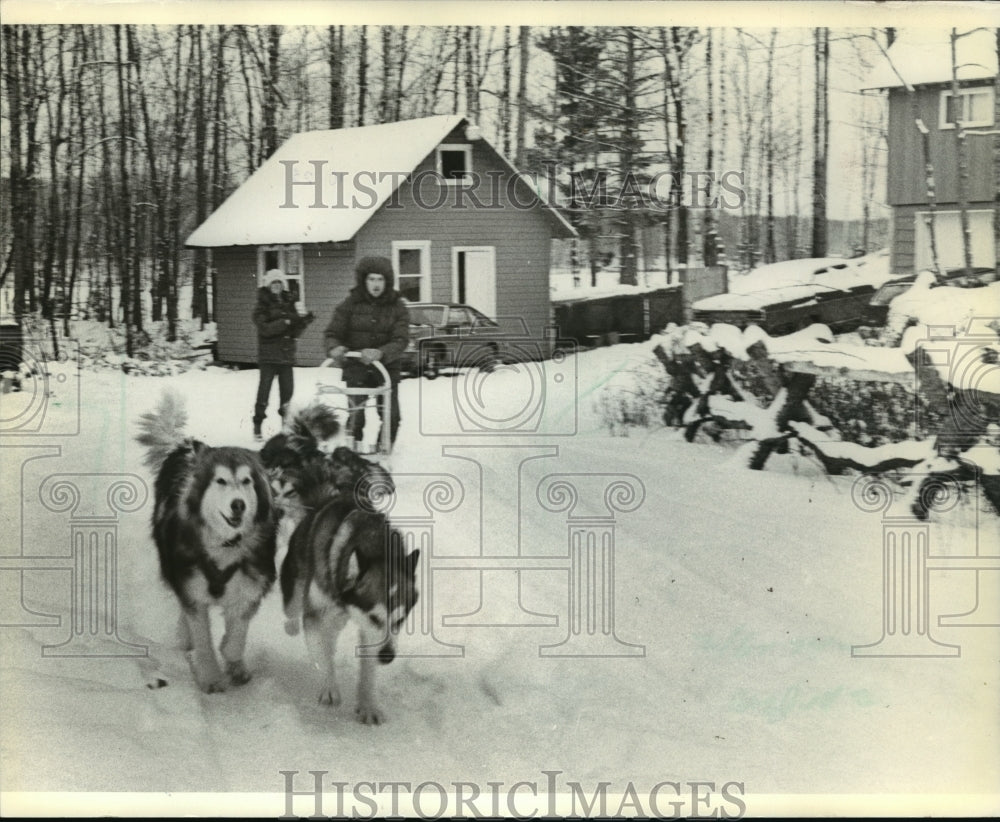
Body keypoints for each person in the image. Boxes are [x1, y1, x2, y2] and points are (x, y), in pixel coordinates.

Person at [324, 256, 410, 452]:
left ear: (387, 281)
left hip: (386, 370)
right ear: (364, 280)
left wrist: (381, 353)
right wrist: (334, 347)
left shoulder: (398, 307)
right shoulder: (349, 304)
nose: (376, 284)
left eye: (380, 279)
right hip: (357, 370)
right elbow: (332, 334)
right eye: (371, 279)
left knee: (392, 417)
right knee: (356, 417)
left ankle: (382, 452)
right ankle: (352, 455)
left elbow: (401, 340)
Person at [252, 269, 314, 440]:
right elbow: (265, 329)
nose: (277, 286)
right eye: (274, 283)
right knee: (264, 393)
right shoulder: (261, 306)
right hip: (269, 357)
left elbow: (294, 333)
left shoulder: (289, 304)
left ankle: (286, 427)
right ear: (268, 285)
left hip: (286, 356)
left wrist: (303, 322)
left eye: (279, 283)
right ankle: (257, 425)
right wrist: (285, 321)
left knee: (288, 393)